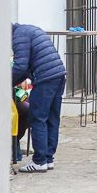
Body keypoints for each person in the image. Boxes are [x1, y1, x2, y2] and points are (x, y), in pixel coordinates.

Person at [11, 22, 65, 173]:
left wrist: (6, 81)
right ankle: (48, 159)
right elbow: (26, 67)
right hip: (59, 74)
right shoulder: (29, 29)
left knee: (37, 118)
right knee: (52, 119)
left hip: (45, 78)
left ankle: (39, 161)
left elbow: (20, 66)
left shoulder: (18, 36)